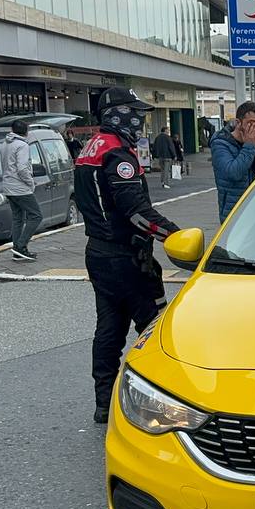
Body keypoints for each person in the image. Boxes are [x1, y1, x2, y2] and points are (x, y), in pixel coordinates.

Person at [73, 87, 181, 423]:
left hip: (99, 253)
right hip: (127, 256)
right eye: (134, 113)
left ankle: (104, 402)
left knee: (108, 329)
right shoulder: (117, 154)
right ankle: (161, 402)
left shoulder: (91, 148)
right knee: (156, 329)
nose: (139, 119)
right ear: (117, 115)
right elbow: (136, 211)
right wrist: (176, 236)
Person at [210, 101, 255, 223]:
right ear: (238, 123)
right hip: (234, 213)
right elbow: (233, 173)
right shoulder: (221, 143)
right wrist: (250, 145)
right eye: (251, 124)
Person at [0, 119, 42, 262]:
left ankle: (18, 251)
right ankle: (21, 246)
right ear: (26, 131)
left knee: (18, 218)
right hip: (20, 187)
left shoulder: (5, 144)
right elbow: (22, 168)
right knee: (36, 216)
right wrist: (31, 183)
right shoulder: (22, 145)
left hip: (8, 186)